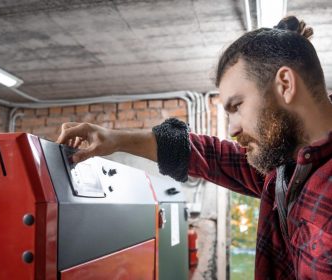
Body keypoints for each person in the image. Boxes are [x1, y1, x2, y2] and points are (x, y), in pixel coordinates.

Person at [57, 16, 332, 279]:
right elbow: (214, 157)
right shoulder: (289, 168)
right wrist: (116, 139)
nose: (233, 129)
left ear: (285, 85)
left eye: (237, 106)